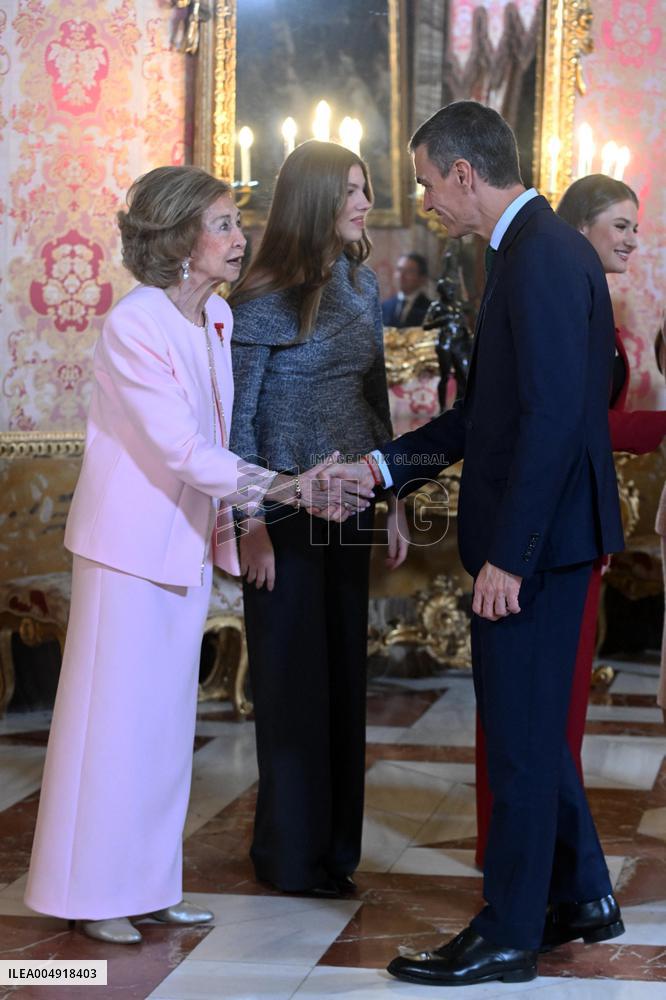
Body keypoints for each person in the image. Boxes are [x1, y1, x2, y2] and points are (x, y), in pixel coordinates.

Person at [24, 165, 368, 945]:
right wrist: (287, 490)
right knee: (114, 731)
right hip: (125, 554)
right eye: (223, 224)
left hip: (179, 547)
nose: (240, 237)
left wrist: (238, 520)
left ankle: (148, 887)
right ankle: (93, 895)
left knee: (164, 730)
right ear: (181, 237)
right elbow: (181, 448)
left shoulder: (212, 317)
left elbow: (215, 439)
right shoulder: (135, 324)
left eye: (237, 222)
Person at [323, 101, 626, 987]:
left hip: (541, 544)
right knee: (533, 732)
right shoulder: (527, 250)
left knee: (521, 744)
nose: (423, 201)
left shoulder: (539, 256)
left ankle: (508, 934)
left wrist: (510, 555)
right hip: (551, 537)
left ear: (465, 172)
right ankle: (582, 896)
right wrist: (382, 469)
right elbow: (484, 419)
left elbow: (552, 423)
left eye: (426, 182)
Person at [228, 139, 409, 898]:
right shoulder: (258, 295)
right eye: (352, 191)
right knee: (290, 686)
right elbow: (235, 424)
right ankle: (288, 856)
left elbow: (374, 397)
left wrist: (395, 497)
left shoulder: (362, 284)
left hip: (352, 503)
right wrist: (249, 525)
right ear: (314, 201)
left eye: (365, 188)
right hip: (282, 512)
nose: (366, 202)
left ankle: (336, 851)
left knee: (341, 679)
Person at [474, 175, 666, 865]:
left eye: (635, 226)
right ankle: (518, 852)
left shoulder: (586, 298)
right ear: (581, 227)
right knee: (529, 712)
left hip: (574, 524)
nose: (633, 240)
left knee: (550, 711)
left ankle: (557, 865)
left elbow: (574, 423)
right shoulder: (552, 283)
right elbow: (564, 421)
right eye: (621, 225)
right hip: (548, 528)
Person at [381, 252, 431, 327]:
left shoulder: (430, 309)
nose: (401, 276)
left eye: (409, 271)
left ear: (422, 278)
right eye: (399, 270)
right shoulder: (385, 307)